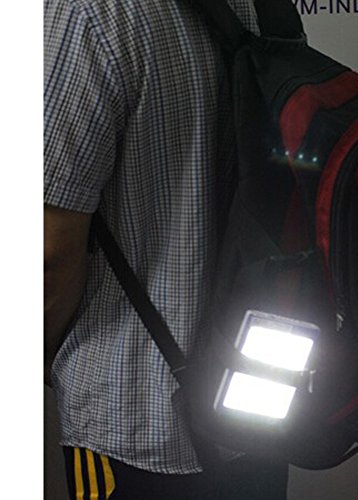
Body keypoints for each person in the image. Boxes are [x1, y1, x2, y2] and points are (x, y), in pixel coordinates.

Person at [44, 0, 289, 498]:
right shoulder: (258, 4)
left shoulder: (85, 14)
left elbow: (49, 254)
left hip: (134, 414)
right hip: (255, 397)